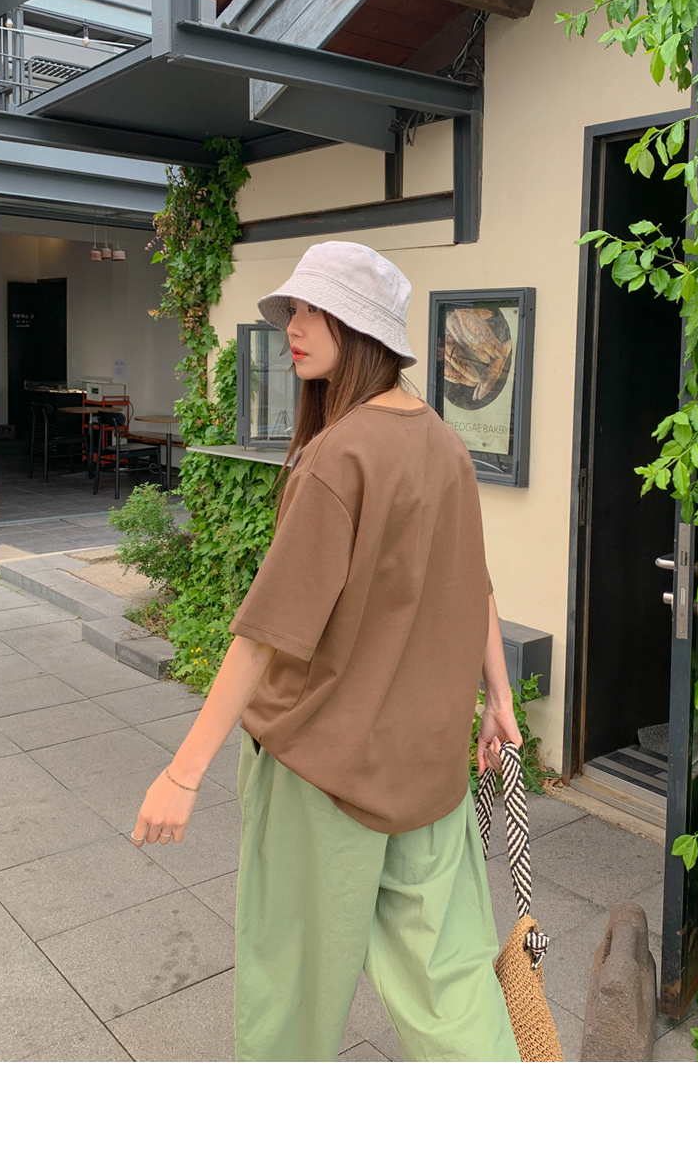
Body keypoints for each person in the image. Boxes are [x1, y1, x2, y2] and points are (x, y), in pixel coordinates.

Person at [131, 241, 523, 1062]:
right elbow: (477, 583)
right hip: (429, 769)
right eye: (293, 312)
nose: (293, 328)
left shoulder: (338, 457)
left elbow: (263, 638)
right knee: (453, 988)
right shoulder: (445, 444)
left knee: (293, 996)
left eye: (313, 311)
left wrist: (182, 774)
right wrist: (500, 699)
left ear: (361, 326)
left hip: (320, 766)